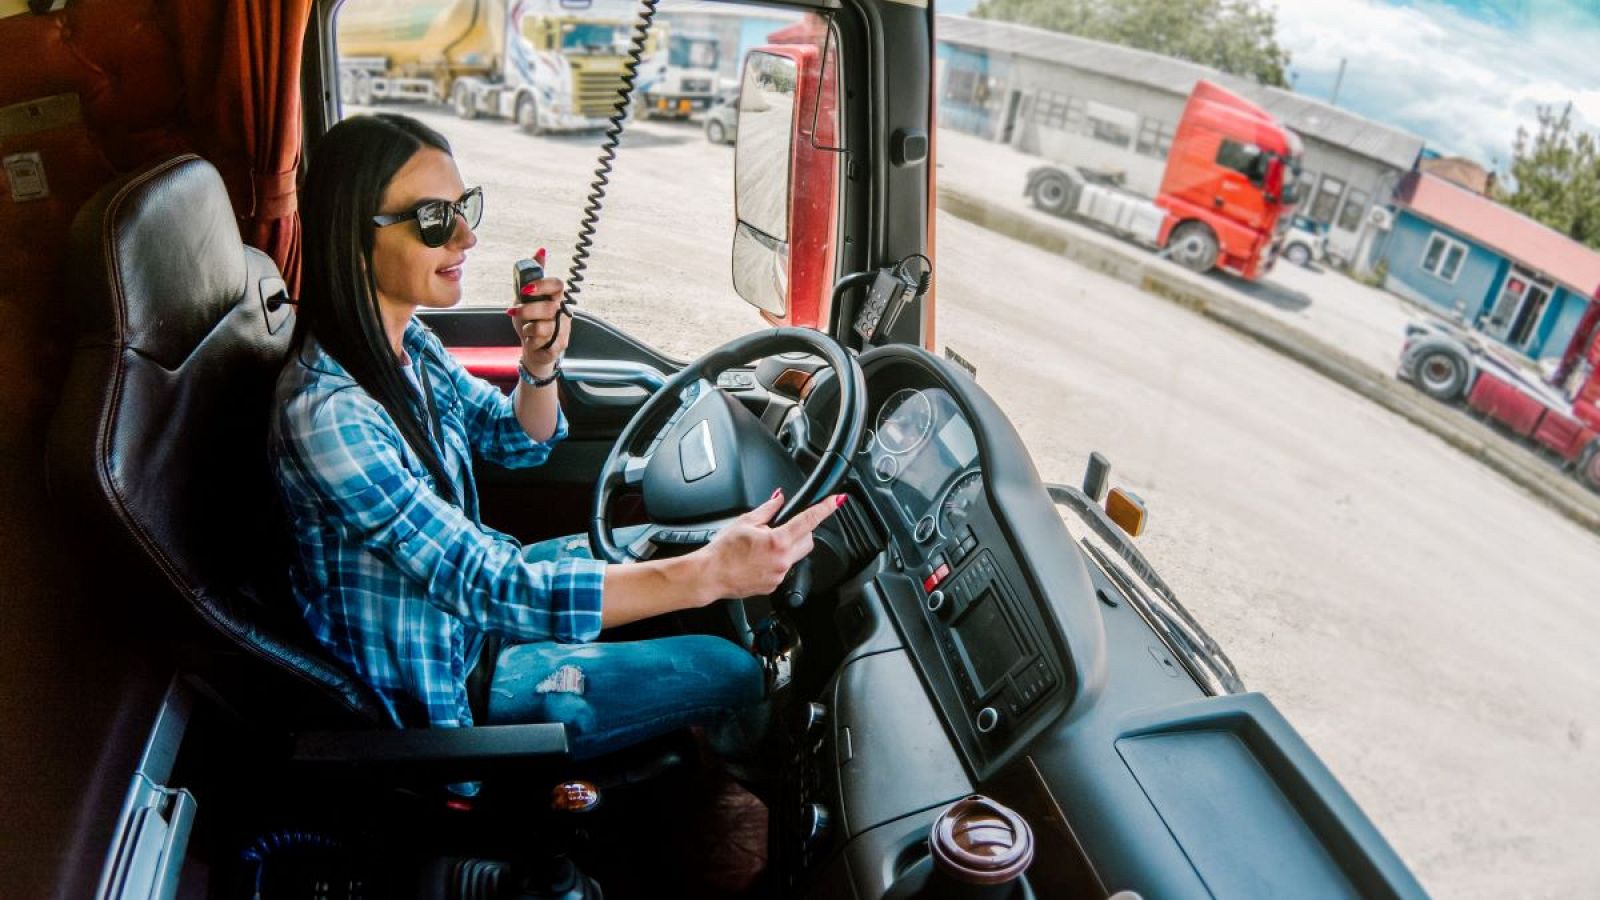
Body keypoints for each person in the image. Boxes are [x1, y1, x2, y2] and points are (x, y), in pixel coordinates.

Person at [271, 113, 841, 761]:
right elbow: (494, 587)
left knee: (650, 541)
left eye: (464, 208)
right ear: (352, 236)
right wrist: (709, 576)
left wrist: (539, 363)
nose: (467, 236)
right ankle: (723, 810)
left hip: (469, 623)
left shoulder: (406, 345)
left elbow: (519, 440)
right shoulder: (330, 416)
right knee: (732, 668)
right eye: (435, 220)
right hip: (451, 689)